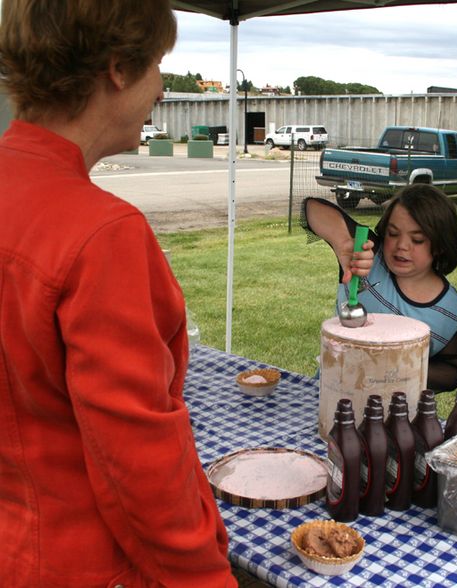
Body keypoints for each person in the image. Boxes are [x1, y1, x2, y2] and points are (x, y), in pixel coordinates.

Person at [0, 1, 236, 586]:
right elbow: (139, 465)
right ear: (118, 68)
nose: (160, 87)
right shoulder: (101, 233)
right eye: (157, 64)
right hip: (79, 559)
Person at [303, 184, 457, 391]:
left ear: (441, 245)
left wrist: (395, 362)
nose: (402, 246)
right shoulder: (368, 258)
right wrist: (343, 242)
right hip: (332, 394)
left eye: (417, 239)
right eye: (393, 233)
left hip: (396, 415)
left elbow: (451, 374)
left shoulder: (451, 310)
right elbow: (311, 208)